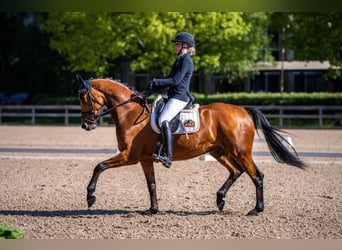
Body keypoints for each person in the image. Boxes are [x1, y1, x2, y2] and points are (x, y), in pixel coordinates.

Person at [146, 32, 196, 168]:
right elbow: (168, 80)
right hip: (174, 95)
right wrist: (153, 87)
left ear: (185, 46)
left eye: (177, 44)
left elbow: (175, 81)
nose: (175, 46)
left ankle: (168, 157)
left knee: (163, 120)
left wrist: (155, 81)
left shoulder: (186, 60)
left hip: (180, 97)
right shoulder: (179, 59)